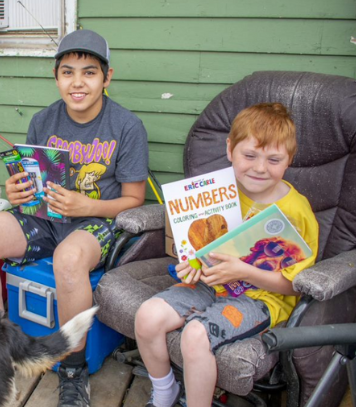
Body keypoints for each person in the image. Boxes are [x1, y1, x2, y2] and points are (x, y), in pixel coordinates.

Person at [0, 29, 149, 407]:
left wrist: (86, 206)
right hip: (45, 217)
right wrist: (17, 191)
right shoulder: (43, 119)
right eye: (68, 71)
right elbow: (30, 179)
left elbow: (133, 200)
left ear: (107, 78)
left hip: (97, 223)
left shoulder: (127, 126)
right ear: (56, 75)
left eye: (89, 72)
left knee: (69, 259)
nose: (77, 82)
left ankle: (73, 368)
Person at [134, 103, 319, 407]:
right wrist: (191, 265)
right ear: (230, 149)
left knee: (195, 335)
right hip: (210, 283)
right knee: (147, 316)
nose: (260, 168)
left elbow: (295, 286)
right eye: (249, 156)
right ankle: (165, 391)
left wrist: (243, 271)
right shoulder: (217, 192)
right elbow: (200, 252)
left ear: (289, 160)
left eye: (274, 160)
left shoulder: (295, 213)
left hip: (259, 298)